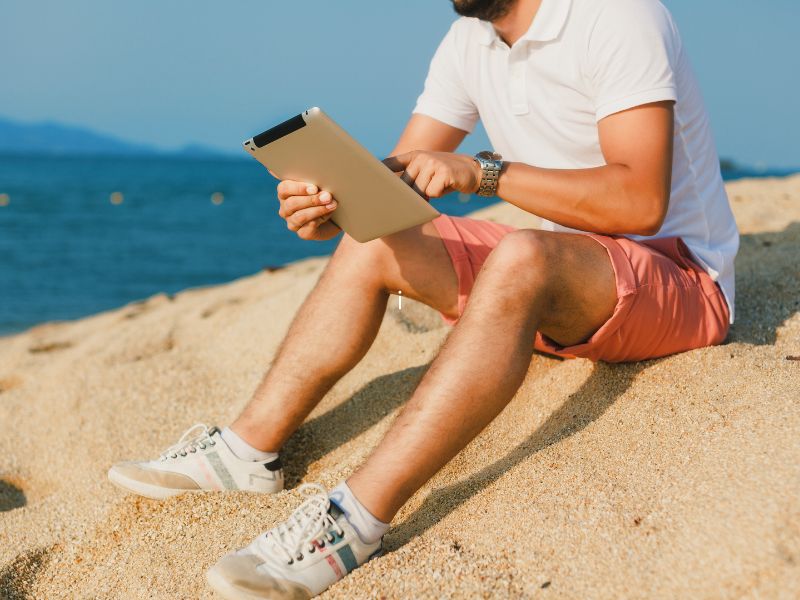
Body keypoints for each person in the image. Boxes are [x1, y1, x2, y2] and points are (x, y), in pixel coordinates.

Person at [108, 0, 739, 597]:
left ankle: (351, 521)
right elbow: (394, 186)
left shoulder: (618, 16)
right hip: (573, 285)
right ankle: (247, 452)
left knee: (523, 257)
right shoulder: (470, 40)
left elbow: (639, 202)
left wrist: (483, 172)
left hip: (682, 282)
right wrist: (329, 210)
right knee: (377, 242)